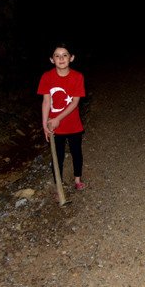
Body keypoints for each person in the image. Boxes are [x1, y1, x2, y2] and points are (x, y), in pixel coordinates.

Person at [37, 42, 87, 192]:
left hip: (73, 124)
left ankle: (77, 179)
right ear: (52, 60)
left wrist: (58, 118)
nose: (61, 58)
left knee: (76, 152)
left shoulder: (77, 77)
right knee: (56, 157)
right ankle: (59, 187)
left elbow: (75, 102)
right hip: (54, 126)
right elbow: (46, 101)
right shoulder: (47, 77)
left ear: (71, 58)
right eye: (57, 56)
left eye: (64, 55)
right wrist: (45, 124)